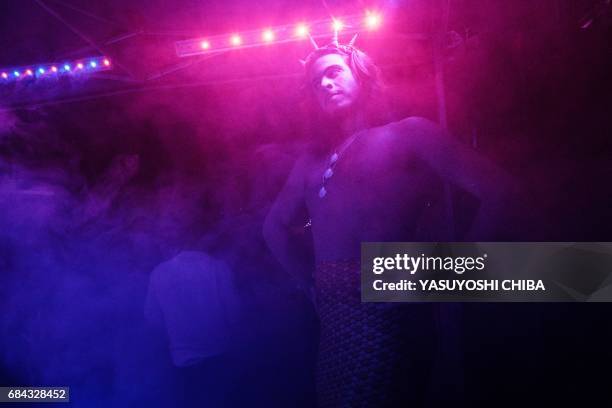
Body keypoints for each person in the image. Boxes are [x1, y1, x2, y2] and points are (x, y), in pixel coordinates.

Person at [263, 33, 513, 407]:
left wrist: (454, 278)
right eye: (316, 83)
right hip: (334, 319)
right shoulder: (308, 164)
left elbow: (499, 190)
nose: (325, 84)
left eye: (333, 72)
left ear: (361, 76)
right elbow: (273, 228)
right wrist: (309, 283)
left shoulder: (408, 133)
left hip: (391, 300)